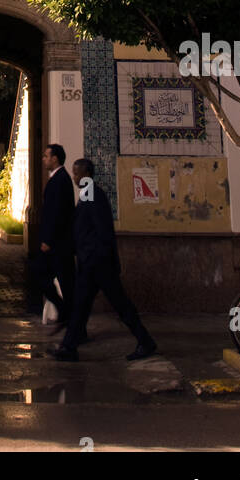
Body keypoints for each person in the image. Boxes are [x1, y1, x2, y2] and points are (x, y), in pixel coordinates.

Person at [54, 158, 157, 362]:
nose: (74, 177)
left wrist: (92, 255)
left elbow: (102, 230)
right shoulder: (88, 193)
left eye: (77, 173)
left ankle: (146, 342)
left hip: (98, 264)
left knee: (120, 305)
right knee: (81, 305)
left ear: (86, 173)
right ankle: (69, 346)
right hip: (92, 264)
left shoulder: (92, 194)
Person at [37, 144, 75, 329]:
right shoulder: (58, 179)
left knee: (57, 279)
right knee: (61, 281)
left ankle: (69, 316)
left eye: (46, 156)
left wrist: (48, 240)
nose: (44, 159)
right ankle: (67, 314)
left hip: (57, 244)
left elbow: (57, 214)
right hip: (57, 243)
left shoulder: (60, 180)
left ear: (55, 158)